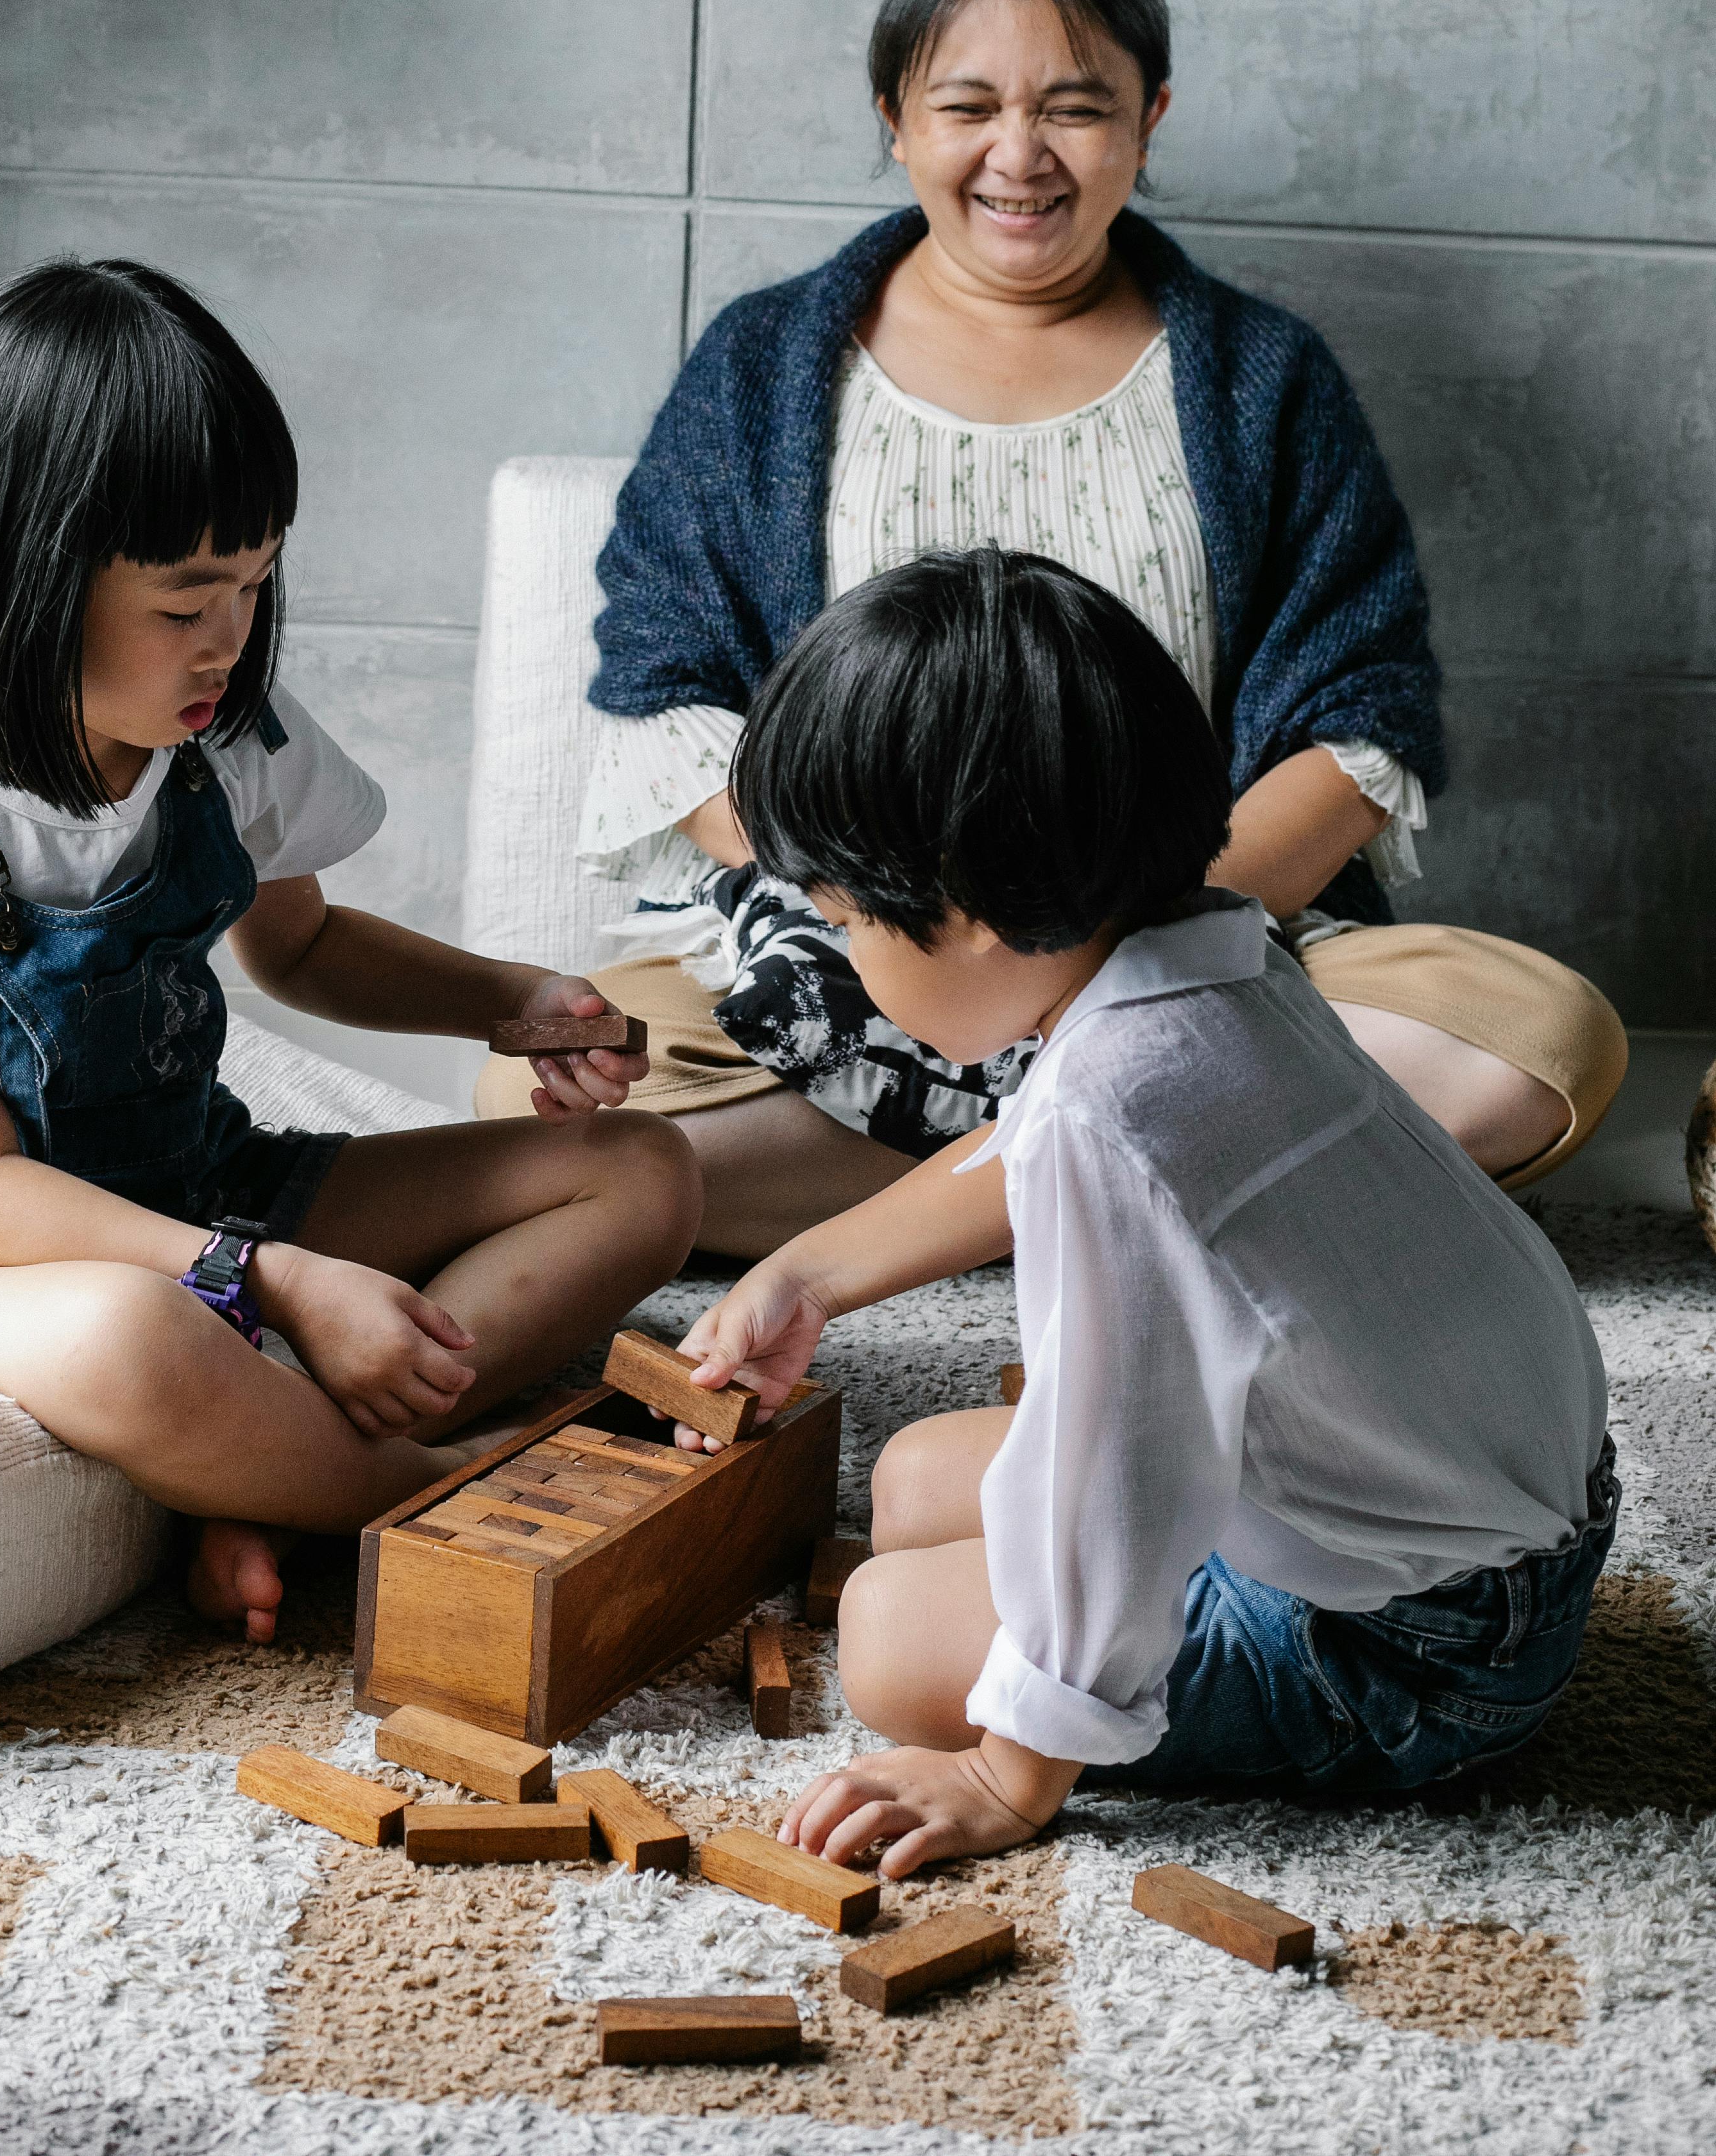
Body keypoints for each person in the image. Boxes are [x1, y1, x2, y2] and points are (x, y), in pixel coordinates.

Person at [477, 0, 1627, 1255]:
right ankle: (1112, 1169)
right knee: (529, 1099)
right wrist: (889, 929)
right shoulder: (764, 364)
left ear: (1149, 120)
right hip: (840, 952)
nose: (1017, 156)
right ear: (894, 117)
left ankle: (970, 1173)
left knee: (1543, 1045)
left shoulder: (1263, 379)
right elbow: (668, 698)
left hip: (1184, 952)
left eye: (1076, 108)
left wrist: (1119, 948)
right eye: (966, 105)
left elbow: (1357, 716)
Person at [667, 547, 1616, 1872]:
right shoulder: (1210, 948)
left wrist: (1009, 1775)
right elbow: (1034, 1144)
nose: (845, 968)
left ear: (975, 908)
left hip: (1417, 1655)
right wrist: (809, 1274)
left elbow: (1107, 1471)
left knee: (888, 1635)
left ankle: (1124, 1721)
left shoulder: (1120, 1111)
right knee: (912, 1476)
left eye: (845, 924)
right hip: (1501, 1524)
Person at [0, 259, 700, 1645]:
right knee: (130, 1337)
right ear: (22, 577)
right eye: (185, 604)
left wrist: (511, 1002)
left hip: (200, 1181)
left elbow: (300, 949)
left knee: (640, 1169)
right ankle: (409, 1489)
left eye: (255, 582)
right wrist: (275, 1279)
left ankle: (263, 1475)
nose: (229, 639)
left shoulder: (223, 733)